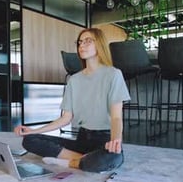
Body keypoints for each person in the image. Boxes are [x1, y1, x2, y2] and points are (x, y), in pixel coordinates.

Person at [14, 28, 130, 173]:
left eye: (88, 41)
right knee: (30, 140)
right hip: (82, 138)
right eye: (80, 42)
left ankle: (71, 162)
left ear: (99, 44)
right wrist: (34, 130)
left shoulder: (113, 75)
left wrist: (116, 140)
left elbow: (116, 117)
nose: (82, 45)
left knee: (113, 157)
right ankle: (84, 160)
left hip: (104, 139)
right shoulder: (74, 80)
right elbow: (65, 118)